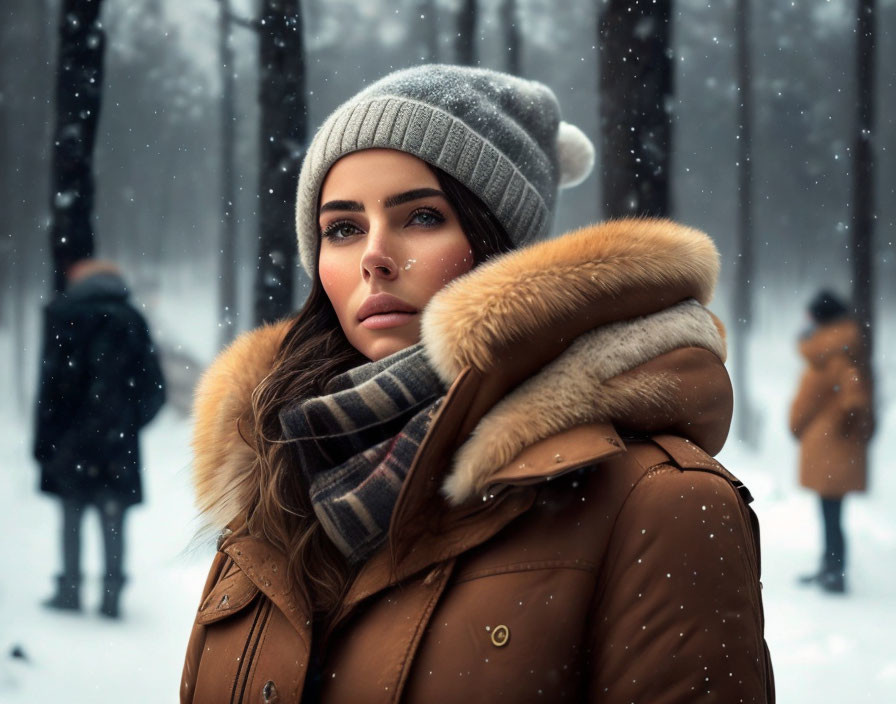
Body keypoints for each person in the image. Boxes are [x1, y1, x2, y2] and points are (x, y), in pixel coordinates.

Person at [181, 65, 774, 702]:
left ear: (502, 250)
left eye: (422, 217)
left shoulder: (657, 503)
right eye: (343, 228)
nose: (374, 256)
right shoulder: (278, 472)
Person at [33, 259, 165, 618]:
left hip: (69, 443)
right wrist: (129, 421)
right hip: (117, 444)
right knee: (113, 517)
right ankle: (111, 597)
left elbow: (49, 389)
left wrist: (46, 442)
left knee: (72, 517)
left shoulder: (63, 316)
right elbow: (155, 390)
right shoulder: (131, 320)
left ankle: (70, 591)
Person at [791, 290, 873, 594]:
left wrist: (838, 426)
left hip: (831, 448)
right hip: (828, 448)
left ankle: (835, 573)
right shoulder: (831, 351)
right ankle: (829, 567)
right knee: (829, 512)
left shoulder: (834, 354)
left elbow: (854, 400)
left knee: (832, 514)